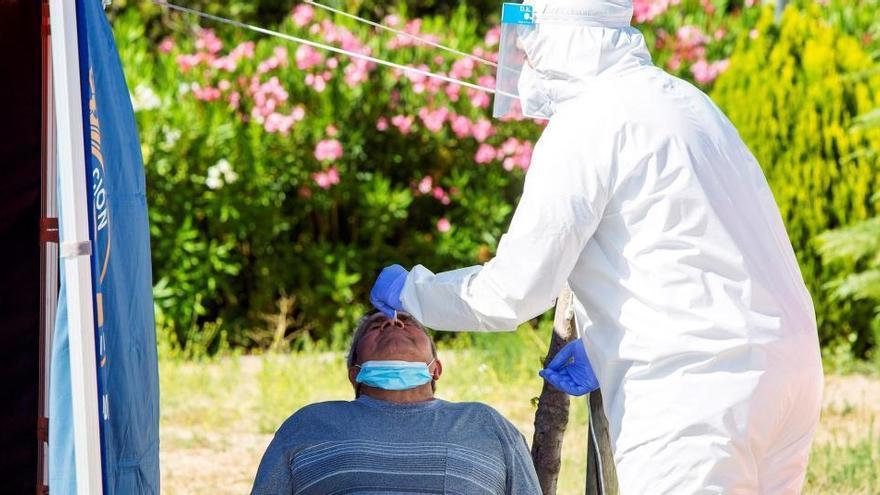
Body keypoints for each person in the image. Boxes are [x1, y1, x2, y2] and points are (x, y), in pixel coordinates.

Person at [369, 0, 824, 493]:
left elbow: (511, 293)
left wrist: (413, 293)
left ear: (553, 31)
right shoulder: (685, 101)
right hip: (787, 374)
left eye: (525, 33)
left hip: (694, 390)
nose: (521, 50)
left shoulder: (587, 122)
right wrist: (606, 342)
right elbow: (692, 248)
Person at [251, 311, 542, 495]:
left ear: (436, 368)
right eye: (376, 326)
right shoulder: (309, 423)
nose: (393, 322)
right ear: (354, 372)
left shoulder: (485, 423)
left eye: (409, 322)